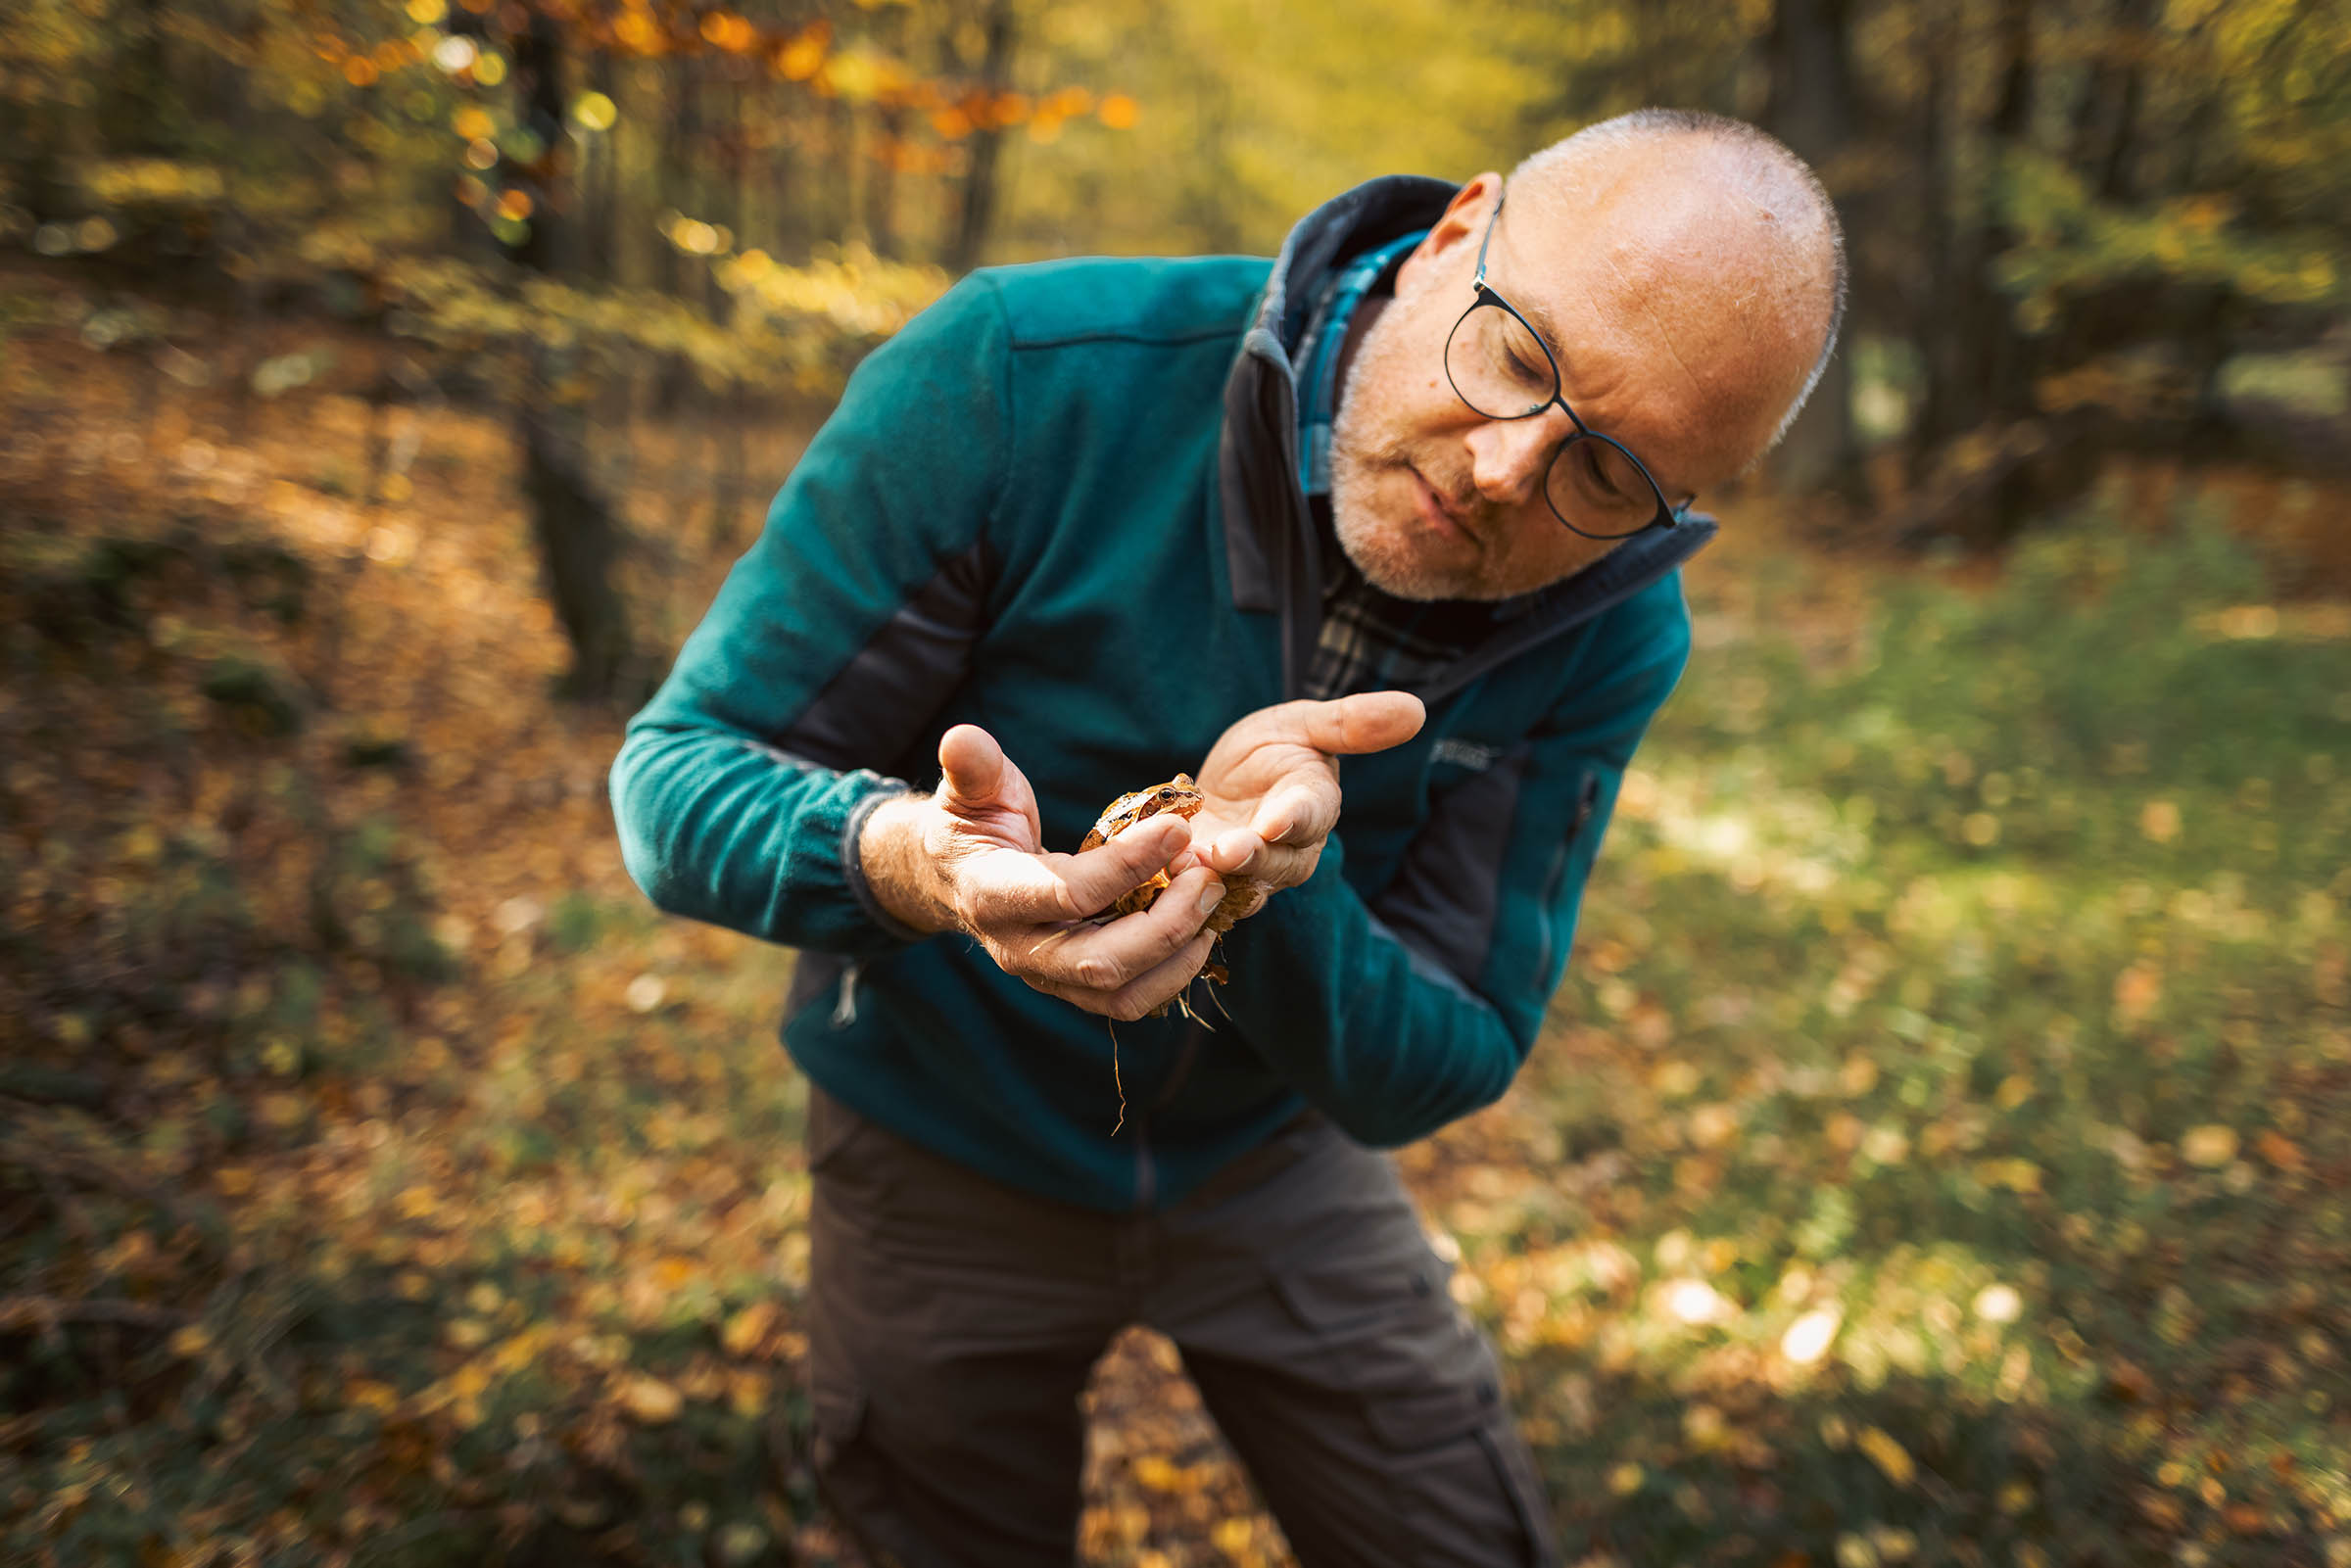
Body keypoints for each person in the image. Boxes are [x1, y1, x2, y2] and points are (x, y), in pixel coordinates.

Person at [612, 107, 1845, 1567]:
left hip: (1273, 1158)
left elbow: (1453, 1043)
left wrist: (1284, 888)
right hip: (941, 1134)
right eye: (1520, 355)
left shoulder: (1613, 621)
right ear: (1456, 230)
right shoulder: (1028, 375)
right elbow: (679, 775)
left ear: (1679, 506)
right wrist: (917, 862)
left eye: (1611, 473)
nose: (1512, 469)